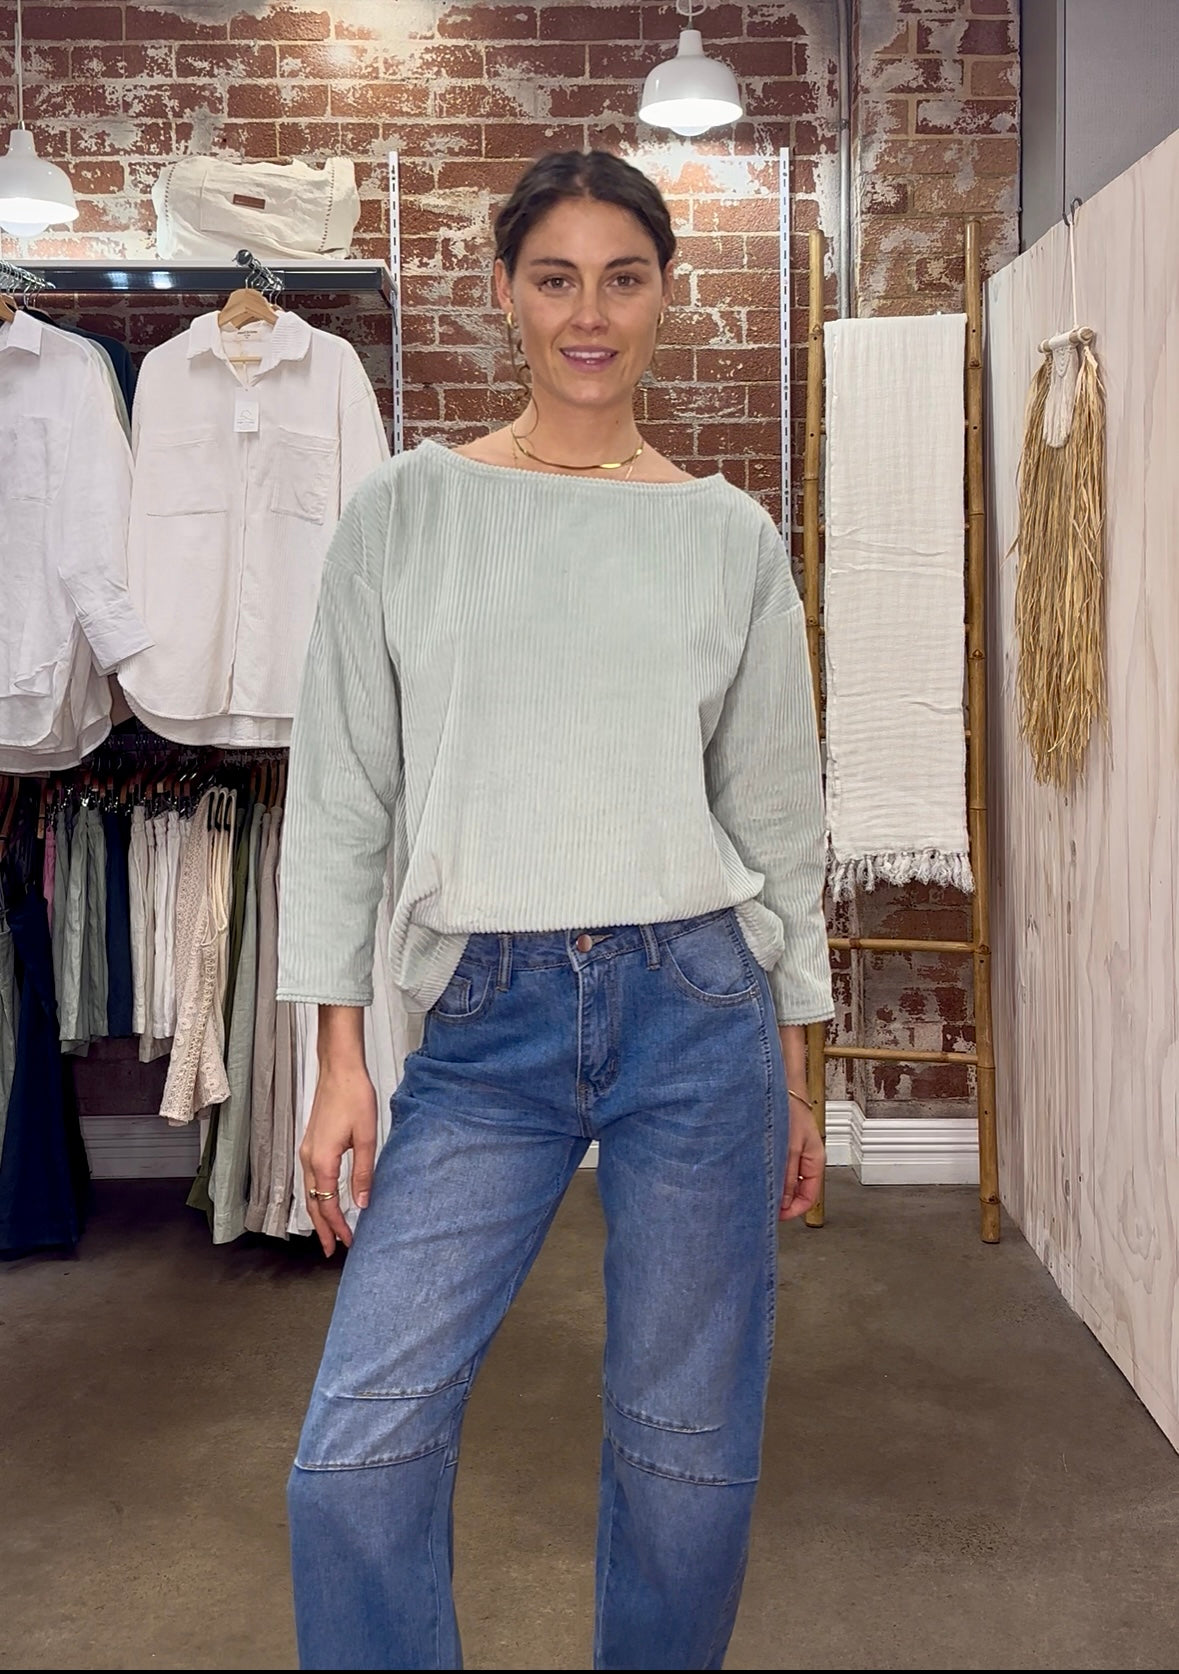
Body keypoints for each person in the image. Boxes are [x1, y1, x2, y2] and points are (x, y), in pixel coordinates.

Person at [275, 148, 835, 1672]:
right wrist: (337, 1054)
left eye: (624, 278)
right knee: (353, 1457)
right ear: (505, 296)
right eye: (557, 278)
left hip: (699, 1011)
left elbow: (778, 814)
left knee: (685, 1461)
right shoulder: (406, 513)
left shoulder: (729, 535)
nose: (591, 314)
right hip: (486, 1022)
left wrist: (798, 1060)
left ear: (665, 297)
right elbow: (341, 797)